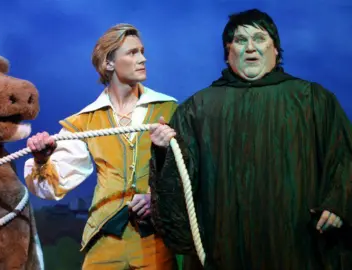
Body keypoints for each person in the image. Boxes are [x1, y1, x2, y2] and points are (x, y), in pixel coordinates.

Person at [148, 8, 352, 270]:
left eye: (260, 38)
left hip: (298, 244)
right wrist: (164, 151)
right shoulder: (197, 108)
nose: (251, 48)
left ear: (276, 49)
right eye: (241, 40)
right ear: (228, 52)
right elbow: (180, 181)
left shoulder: (313, 99)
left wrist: (338, 204)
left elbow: (344, 156)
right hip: (224, 246)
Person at [24, 23, 178, 269]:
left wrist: (156, 198)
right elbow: (52, 187)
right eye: (132, 53)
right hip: (106, 236)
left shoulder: (168, 109)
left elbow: (188, 174)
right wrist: (42, 161)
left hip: (155, 238)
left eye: (142, 51)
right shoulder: (86, 121)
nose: (143, 58)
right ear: (108, 63)